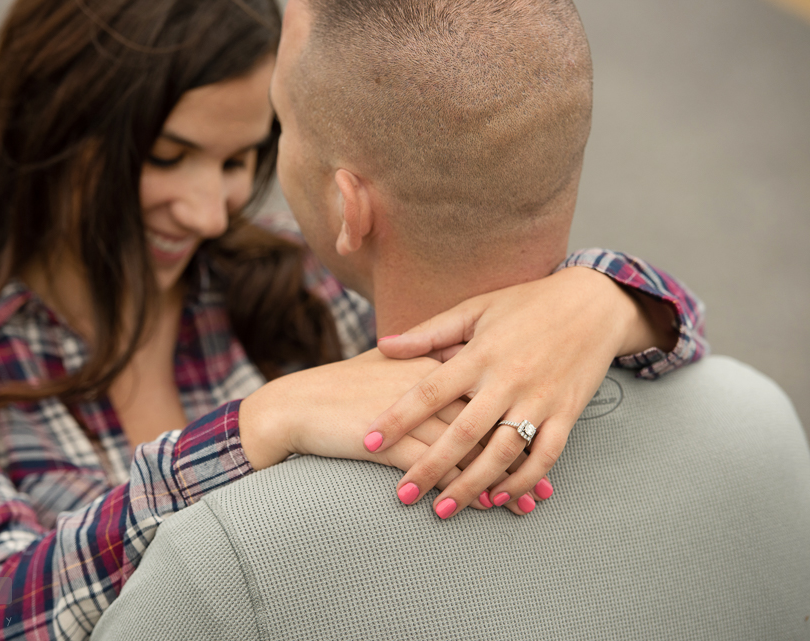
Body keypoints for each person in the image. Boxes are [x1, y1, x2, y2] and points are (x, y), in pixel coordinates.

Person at [0, 0, 706, 638]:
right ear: (54, 120)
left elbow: (659, 338)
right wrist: (257, 427)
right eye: (168, 156)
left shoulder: (279, 274)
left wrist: (603, 302)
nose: (211, 211)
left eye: (240, 159)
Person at [91, 0, 810, 638]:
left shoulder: (226, 560)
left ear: (351, 207)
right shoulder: (764, 425)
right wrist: (612, 293)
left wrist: (255, 422)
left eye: (285, 130)